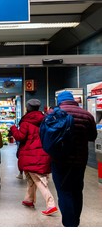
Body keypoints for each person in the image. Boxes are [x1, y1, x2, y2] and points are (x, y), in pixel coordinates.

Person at [51, 91, 97, 226]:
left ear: (59, 100)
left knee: (64, 191)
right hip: (79, 160)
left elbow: (46, 137)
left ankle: (69, 224)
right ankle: (75, 221)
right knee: (77, 191)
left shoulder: (53, 114)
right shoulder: (86, 115)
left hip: (59, 160)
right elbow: (92, 137)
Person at [10, 99, 58, 216]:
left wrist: (13, 129)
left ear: (27, 108)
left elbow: (20, 137)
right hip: (42, 152)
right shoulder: (45, 120)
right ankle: (29, 200)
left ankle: (51, 204)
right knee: (31, 177)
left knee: (38, 179)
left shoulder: (26, 122)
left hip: (30, 154)